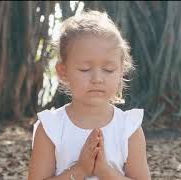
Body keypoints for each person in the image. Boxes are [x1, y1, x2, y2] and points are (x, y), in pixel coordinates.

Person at [28, 10, 151, 180]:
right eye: (85, 69)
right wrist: (80, 170)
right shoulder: (51, 128)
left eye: (109, 70)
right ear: (63, 72)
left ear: (121, 71)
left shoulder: (128, 129)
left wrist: (105, 172)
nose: (97, 79)